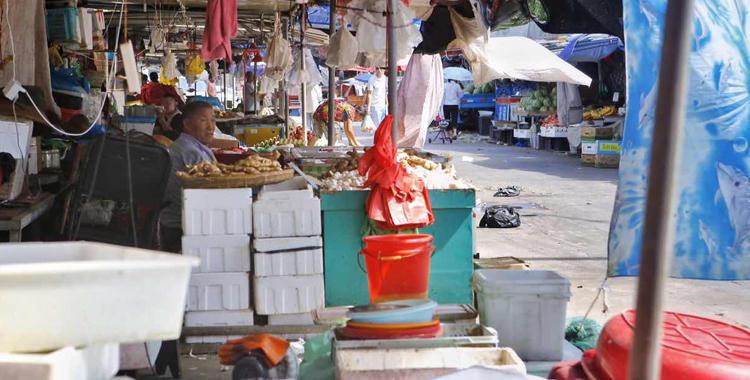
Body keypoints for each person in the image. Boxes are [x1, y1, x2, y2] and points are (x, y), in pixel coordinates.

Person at [159, 101, 216, 253]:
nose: (211, 127)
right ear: (187, 124)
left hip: (176, 222)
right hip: (180, 226)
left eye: (213, 120)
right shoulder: (191, 152)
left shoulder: (189, 146)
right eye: (203, 121)